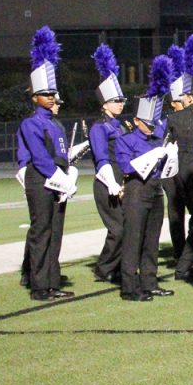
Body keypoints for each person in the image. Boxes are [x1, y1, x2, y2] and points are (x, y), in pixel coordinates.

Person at [17, 27, 77, 301]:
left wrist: (68, 173)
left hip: (57, 180)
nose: (51, 97)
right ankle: (39, 286)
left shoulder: (55, 123)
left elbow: (61, 154)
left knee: (55, 232)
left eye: (53, 92)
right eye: (45, 93)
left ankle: (52, 283)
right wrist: (59, 177)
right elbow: (40, 158)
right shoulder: (31, 123)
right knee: (41, 231)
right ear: (34, 97)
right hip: (41, 180)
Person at [115, 56, 175, 301]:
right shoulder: (125, 139)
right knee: (133, 240)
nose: (151, 127)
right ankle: (130, 287)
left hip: (155, 188)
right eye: (147, 123)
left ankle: (149, 282)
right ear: (137, 121)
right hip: (136, 190)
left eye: (153, 123)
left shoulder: (156, 137)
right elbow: (126, 167)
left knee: (152, 240)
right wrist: (154, 155)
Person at [164, 38, 193, 282]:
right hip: (188, 172)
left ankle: (185, 259)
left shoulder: (173, 119)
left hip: (176, 172)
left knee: (184, 218)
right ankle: (186, 262)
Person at [88, 43, 127, 284]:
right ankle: (104, 268)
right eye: (115, 100)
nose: (121, 103)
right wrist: (113, 184)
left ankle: (117, 267)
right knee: (118, 228)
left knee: (126, 227)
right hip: (107, 181)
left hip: (122, 178)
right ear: (104, 104)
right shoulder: (98, 127)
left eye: (122, 99)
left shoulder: (120, 125)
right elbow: (101, 158)